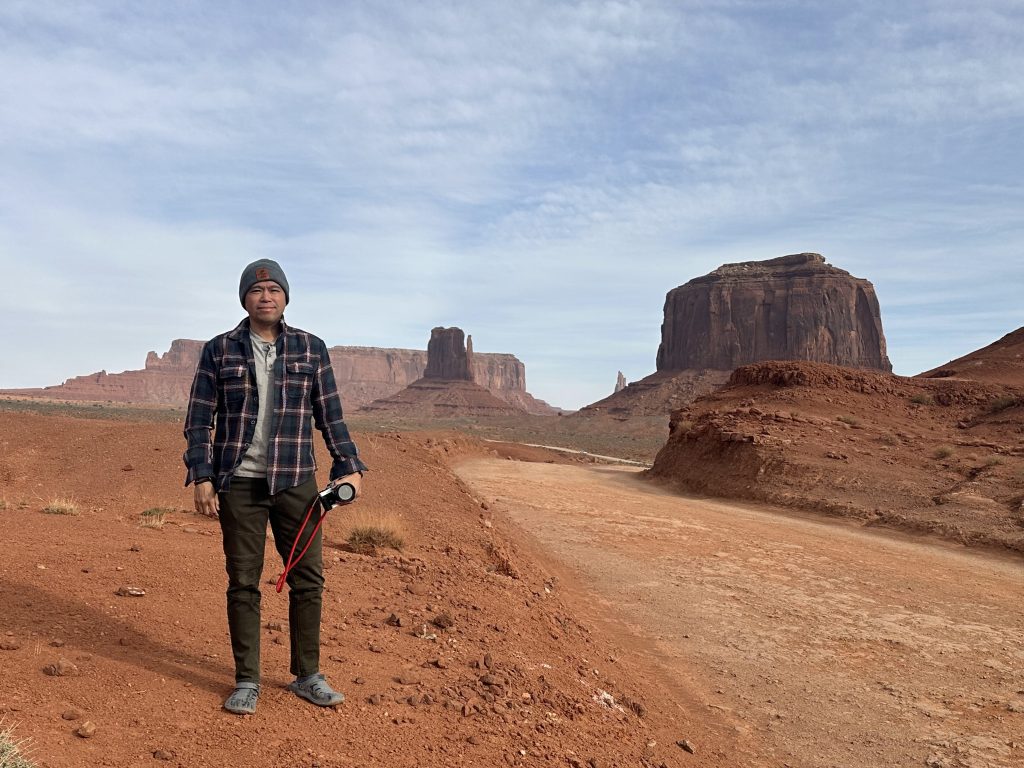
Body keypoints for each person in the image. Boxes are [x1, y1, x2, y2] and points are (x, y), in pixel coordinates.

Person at [183, 258, 366, 715]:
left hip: (296, 481)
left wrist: (349, 466)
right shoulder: (219, 350)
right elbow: (199, 418)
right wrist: (202, 476)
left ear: (285, 297)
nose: (266, 296)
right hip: (238, 483)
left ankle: (308, 675)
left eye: (274, 290)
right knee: (243, 582)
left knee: (308, 578)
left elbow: (330, 415)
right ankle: (247, 680)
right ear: (244, 298)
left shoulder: (310, 348)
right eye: (256, 290)